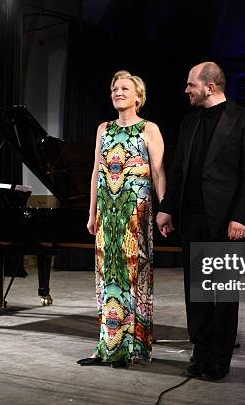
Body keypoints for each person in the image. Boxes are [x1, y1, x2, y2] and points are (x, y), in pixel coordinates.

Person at [156, 62, 245, 381]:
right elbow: (178, 172)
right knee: (197, 292)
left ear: (210, 87)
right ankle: (201, 353)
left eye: (191, 85)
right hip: (192, 218)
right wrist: (167, 208)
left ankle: (220, 360)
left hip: (226, 222)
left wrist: (240, 217)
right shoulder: (189, 122)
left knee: (224, 294)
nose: (186, 90)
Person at [77, 70, 166, 368]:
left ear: (138, 96)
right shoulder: (104, 128)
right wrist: (92, 211)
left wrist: (164, 209)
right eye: (115, 88)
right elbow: (95, 171)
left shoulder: (149, 129)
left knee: (132, 280)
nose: (118, 92)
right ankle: (108, 346)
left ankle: (131, 349)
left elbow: (158, 172)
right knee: (108, 282)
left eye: (125, 88)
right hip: (107, 215)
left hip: (135, 217)